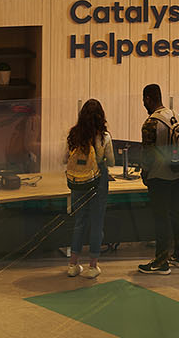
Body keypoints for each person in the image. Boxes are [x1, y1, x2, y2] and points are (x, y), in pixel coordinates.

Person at [136, 83, 179, 275]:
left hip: (159, 176)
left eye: (144, 100)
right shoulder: (175, 115)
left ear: (148, 99)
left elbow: (148, 155)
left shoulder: (151, 123)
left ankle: (161, 262)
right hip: (178, 173)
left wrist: (144, 174)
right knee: (176, 213)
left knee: (160, 218)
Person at [62, 98, 111, 280]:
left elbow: (67, 157)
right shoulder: (104, 137)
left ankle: (73, 265)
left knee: (80, 221)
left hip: (78, 183)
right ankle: (92, 266)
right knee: (97, 223)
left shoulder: (74, 135)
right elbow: (111, 160)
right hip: (97, 182)